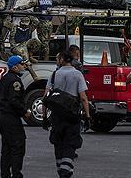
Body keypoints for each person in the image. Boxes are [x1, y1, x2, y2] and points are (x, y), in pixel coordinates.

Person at [44, 50, 90, 178]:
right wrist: (87, 116)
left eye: (58, 59)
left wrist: (44, 117)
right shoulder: (77, 75)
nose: (57, 61)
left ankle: (61, 170)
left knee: (58, 143)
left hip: (57, 116)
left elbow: (45, 97)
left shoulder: (54, 75)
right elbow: (83, 98)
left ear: (63, 60)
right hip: (72, 117)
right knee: (70, 144)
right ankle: (66, 171)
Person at [0, 55, 31, 178]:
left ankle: (5, 174)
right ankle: (16, 174)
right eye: (21, 64)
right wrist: (24, 112)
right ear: (15, 66)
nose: (23, 66)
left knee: (6, 148)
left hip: (2, 116)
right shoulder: (14, 81)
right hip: (11, 118)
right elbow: (14, 100)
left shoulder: (5, 78)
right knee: (17, 147)